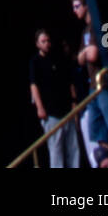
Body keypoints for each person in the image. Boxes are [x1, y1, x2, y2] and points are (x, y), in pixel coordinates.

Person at [70, 0, 108, 162]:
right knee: (97, 131)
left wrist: (87, 53)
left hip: (106, 84)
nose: (75, 10)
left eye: (77, 6)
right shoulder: (85, 31)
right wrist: (86, 52)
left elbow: (95, 55)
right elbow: (79, 59)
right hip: (92, 87)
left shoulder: (104, 24)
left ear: (87, 5)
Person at [29, 29, 79, 168]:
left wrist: (74, 102)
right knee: (56, 152)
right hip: (51, 114)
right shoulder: (35, 62)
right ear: (37, 44)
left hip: (66, 110)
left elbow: (69, 81)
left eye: (48, 41)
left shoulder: (57, 57)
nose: (47, 44)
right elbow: (34, 86)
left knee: (73, 149)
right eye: (43, 41)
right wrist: (40, 108)